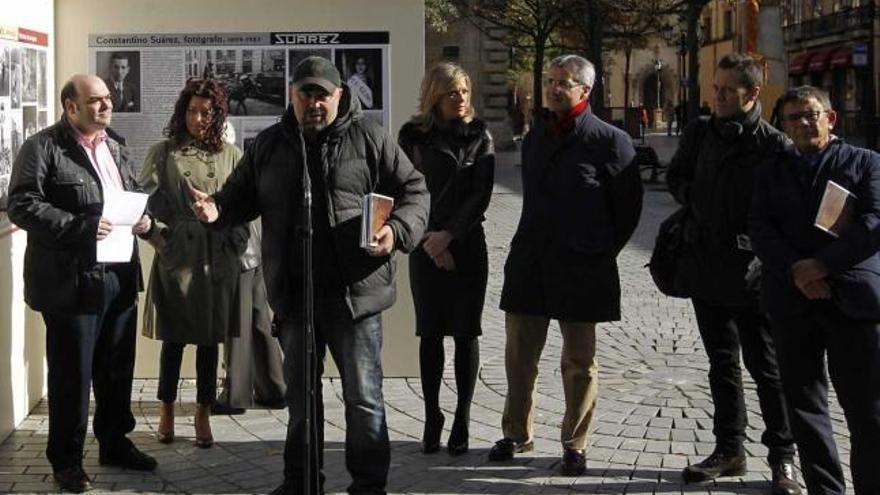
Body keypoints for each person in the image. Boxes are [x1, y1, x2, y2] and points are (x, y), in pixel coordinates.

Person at [189, 56, 428, 495]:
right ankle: (299, 482)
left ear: (340, 95)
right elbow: (237, 197)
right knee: (301, 402)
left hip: (355, 298)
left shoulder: (370, 137)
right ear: (292, 95)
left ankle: (369, 487)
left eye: (323, 94)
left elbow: (415, 191)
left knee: (364, 400)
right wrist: (216, 210)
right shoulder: (269, 145)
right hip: (296, 298)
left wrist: (396, 231)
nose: (314, 102)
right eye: (306, 93)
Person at [489, 54, 643, 476]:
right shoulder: (537, 134)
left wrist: (598, 249)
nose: (554, 88)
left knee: (579, 361)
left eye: (565, 82)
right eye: (551, 80)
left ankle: (575, 442)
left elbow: (627, 211)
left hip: (582, 265)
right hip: (531, 261)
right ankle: (516, 433)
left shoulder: (612, 142)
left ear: (585, 90)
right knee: (519, 354)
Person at [7, 73, 157, 493]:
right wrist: (79, 226)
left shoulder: (117, 146)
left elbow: (135, 193)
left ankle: (115, 443)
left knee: (116, 368)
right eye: (95, 100)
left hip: (120, 276)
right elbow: (21, 203)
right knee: (72, 376)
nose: (107, 106)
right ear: (70, 107)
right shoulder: (42, 148)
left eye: (108, 98)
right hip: (71, 282)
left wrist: (146, 221)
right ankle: (67, 461)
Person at [666, 53, 800, 494]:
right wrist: (699, 203)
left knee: (768, 368)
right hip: (706, 267)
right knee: (722, 363)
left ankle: (783, 457)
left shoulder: (774, 145)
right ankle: (730, 449)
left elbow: (790, 213)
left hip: (756, 275)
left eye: (726, 90)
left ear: (752, 94)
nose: (717, 97)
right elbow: (676, 177)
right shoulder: (700, 134)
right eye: (715, 89)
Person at [750, 85, 880, 495]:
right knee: (804, 406)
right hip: (792, 299)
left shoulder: (866, 163)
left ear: (830, 117)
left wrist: (824, 265)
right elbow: (760, 228)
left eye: (811, 114)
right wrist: (798, 272)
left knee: (867, 410)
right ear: (784, 126)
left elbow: (875, 222)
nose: (803, 123)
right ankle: (826, 490)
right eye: (793, 118)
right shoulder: (772, 169)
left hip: (853, 301)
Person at [139, 78, 248, 448]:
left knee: (209, 340)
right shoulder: (165, 152)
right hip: (178, 255)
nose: (197, 118)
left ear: (218, 114)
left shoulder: (232, 155)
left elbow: (244, 209)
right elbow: (145, 204)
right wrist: (159, 236)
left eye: (205, 111)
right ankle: (167, 408)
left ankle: (203, 411)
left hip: (217, 257)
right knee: (173, 339)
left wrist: (231, 241)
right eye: (190, 111)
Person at [398, 62, 494, 456]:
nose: (461, 99)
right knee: (431, 333)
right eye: (454, 92)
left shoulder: (479, 135)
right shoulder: (413, 135)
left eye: (466, 91)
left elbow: (481, 194)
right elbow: (404, 188)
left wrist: (450, 237)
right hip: (424, 246)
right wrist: (430, 241)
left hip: (468, 245)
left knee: (465, 334)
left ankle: (462, 419)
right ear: (435, 94)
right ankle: (433, 416)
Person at [213, 220, 287, 415]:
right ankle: (275, 388)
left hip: (239, 248)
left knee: (236, 322)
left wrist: (233, 247)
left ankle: (235, 395)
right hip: (253, 244)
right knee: (258, 318)